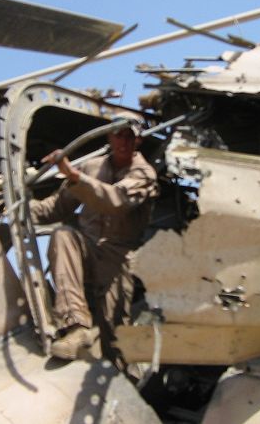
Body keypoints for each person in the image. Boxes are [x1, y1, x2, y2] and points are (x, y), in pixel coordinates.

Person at [30, 115, 158, 361]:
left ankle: (122, 376)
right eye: (118, 134)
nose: (123, 141)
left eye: (129, 136)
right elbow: (56, 207)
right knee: (63, 235)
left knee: (116, 336)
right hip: (86, 246)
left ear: (138, 140)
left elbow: (115, 201)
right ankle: (76, 327)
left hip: (117, 257)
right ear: (109, 137)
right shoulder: (92, 167)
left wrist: (74, 176)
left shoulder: (144, 174)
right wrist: (18, 207)